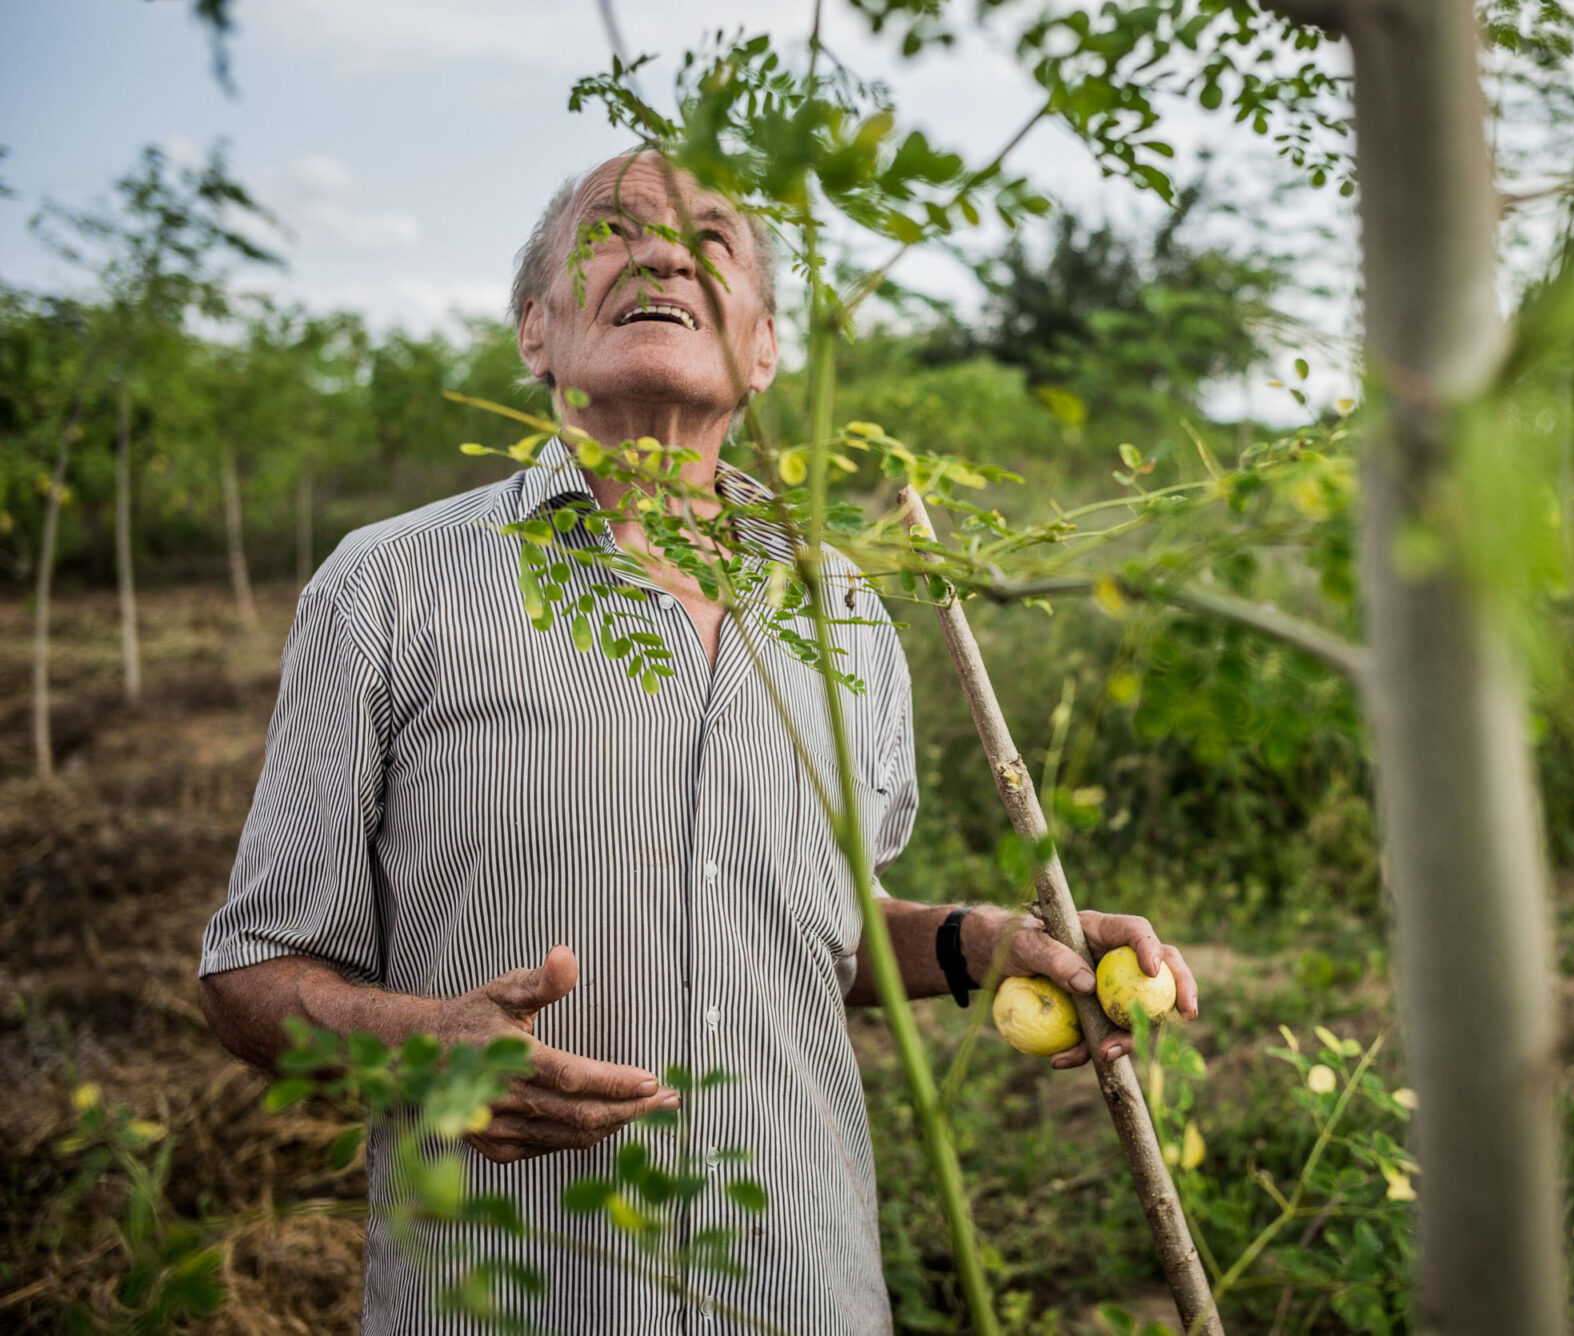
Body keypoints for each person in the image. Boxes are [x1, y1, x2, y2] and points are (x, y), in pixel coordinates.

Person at [197, 149, 1200, 1335]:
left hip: (805, 1292)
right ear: (535, 332)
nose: (665, 253)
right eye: (610, 232)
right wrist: (418, 1048)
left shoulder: (841, 604)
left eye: (711, 241)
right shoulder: (389, 586)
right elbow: (248, 974)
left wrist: (983, 942)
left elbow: (811, 927)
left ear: (764, 352)